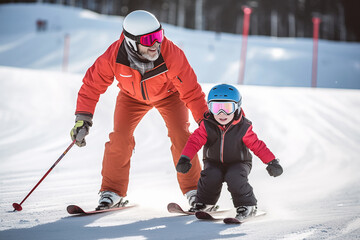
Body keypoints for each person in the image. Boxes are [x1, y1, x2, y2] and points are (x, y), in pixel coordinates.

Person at [70, 10, 208, 210]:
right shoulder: (114, 56)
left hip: (170, 95)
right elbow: (92, 85)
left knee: (181, 136)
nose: (155, 44)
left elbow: (192, 92)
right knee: (119, 137)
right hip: (131, 97)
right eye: (148, 39)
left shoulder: (172, 55)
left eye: (159, 36)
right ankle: (112, 191)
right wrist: (82, 119)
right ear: (131, 41)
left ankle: (195, 191)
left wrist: (206, 122)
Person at [176, 84, 283, 219]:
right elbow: (194, 141)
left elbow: (257, 145)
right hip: (213, 162)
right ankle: (205, 203)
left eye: (227, 108)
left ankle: (247, 205)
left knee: (235, 177)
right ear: (209, 108)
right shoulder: (206, 125)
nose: (222, 114)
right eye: (216, 108)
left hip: (239, 162)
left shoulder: (243, 127)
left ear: (237, 107)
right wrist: (185, 158)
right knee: (210, 175)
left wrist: (272, 162)